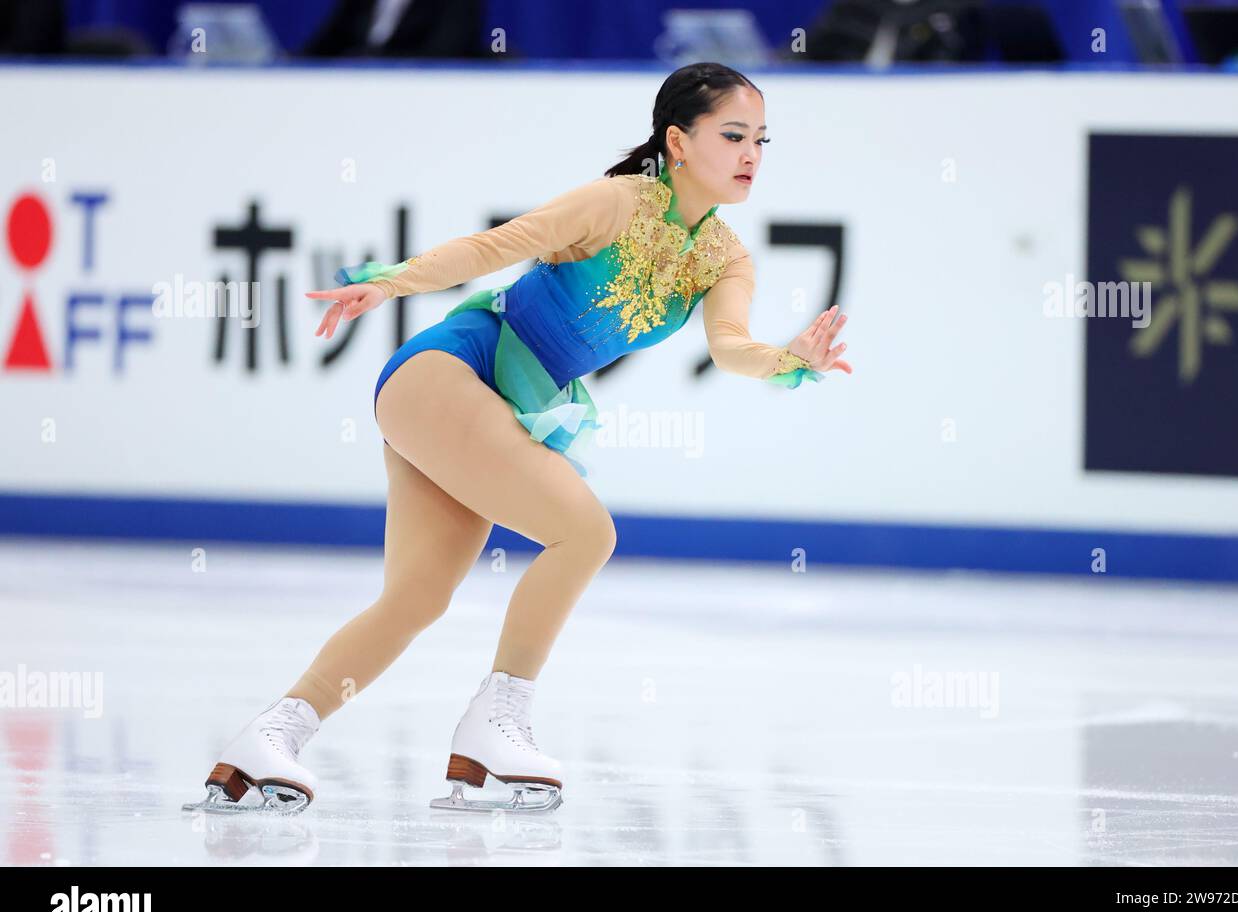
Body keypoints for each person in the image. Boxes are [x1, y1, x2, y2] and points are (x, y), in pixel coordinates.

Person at [183, 61, 851, 816]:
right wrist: (392, 280)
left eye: (761, 139)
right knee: (585, 531)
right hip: (447, 372)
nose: (750, 154)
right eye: (733, 135)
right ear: (678, 140)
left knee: (416, 599)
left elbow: (730, 344)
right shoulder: (615, 202)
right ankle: (500, 717)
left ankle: (271, 737)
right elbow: (499, 245)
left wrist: (789, 361)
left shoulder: (724, 256)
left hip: (491, 407)